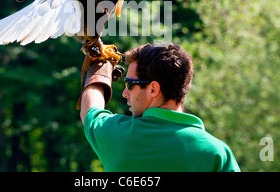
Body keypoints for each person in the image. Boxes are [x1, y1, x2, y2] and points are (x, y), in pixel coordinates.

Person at [79, 42, 240, 172]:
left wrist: (99, 68)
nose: (125, 93)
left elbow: (90, 109)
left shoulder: (117, 134)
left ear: (153, 89)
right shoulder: (217, 153)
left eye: (129, 84)